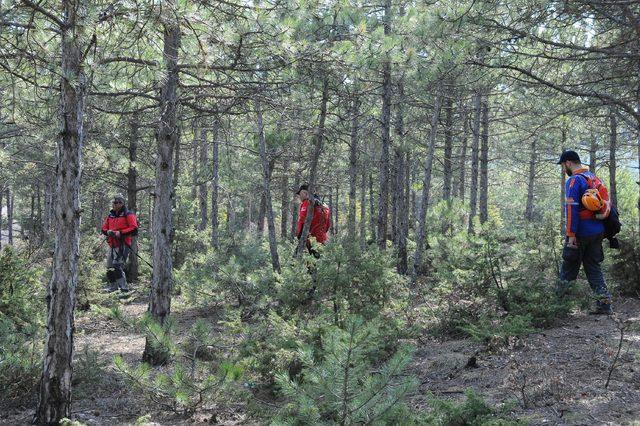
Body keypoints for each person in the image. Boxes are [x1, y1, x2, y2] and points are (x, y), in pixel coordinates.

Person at [557, 150, 612, 314]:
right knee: (593, 268)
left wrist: (571, 235)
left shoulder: (573, 181)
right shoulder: (593, 178)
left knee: (568, 269)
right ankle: (604, 306)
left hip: (581, 232)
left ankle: (558, 308)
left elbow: (571, 209)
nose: (563, 170)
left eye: (562, 166)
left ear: (568, 163)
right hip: (597, 231)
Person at [101, 194, 138, 292]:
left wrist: (120, 233)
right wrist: (108, 232)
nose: (115, 204)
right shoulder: (110, 215)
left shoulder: (128, 214)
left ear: (122, 203)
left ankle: (124, 288)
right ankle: (113, 287)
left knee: (117, 265)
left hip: (123, 244)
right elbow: (103, 229)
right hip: (112, 244)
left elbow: (134, 229)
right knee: (109, 266)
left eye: (118, 202)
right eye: (114, 202)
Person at [296, 184, 331, 257]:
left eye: (300, 194)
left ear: (305, 193)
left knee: (297, 261)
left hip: (310, 239)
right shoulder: (325, 206)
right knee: (318, 261)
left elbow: (302, 220)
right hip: (322, 239)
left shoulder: (307, 203)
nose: (299, 196)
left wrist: (300, 236)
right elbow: (328, 225)